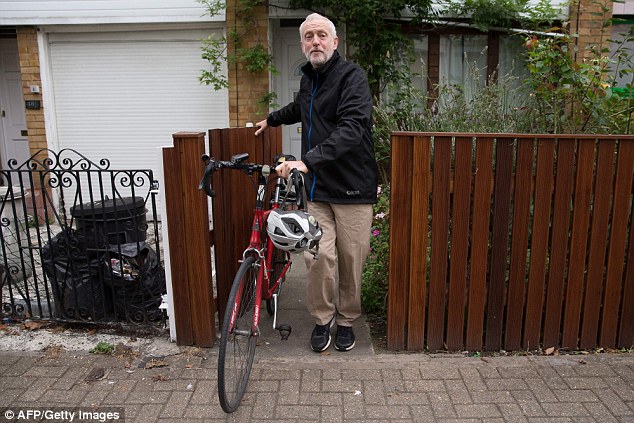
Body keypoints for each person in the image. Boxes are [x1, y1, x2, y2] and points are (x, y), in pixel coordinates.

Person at [255, 13, 378, 352]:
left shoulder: (352, 77)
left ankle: (347, 320)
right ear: (302, 44)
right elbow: (303, 108)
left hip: (353, 188)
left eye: (321, 35)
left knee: (351, 261)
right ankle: (323, 319)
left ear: (334, 42)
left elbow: (352, 127)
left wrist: (306, 161)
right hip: (318, 189)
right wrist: (272, 118)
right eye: (309, 37)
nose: (315, 42)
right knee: (317, 257)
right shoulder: (309, 78)